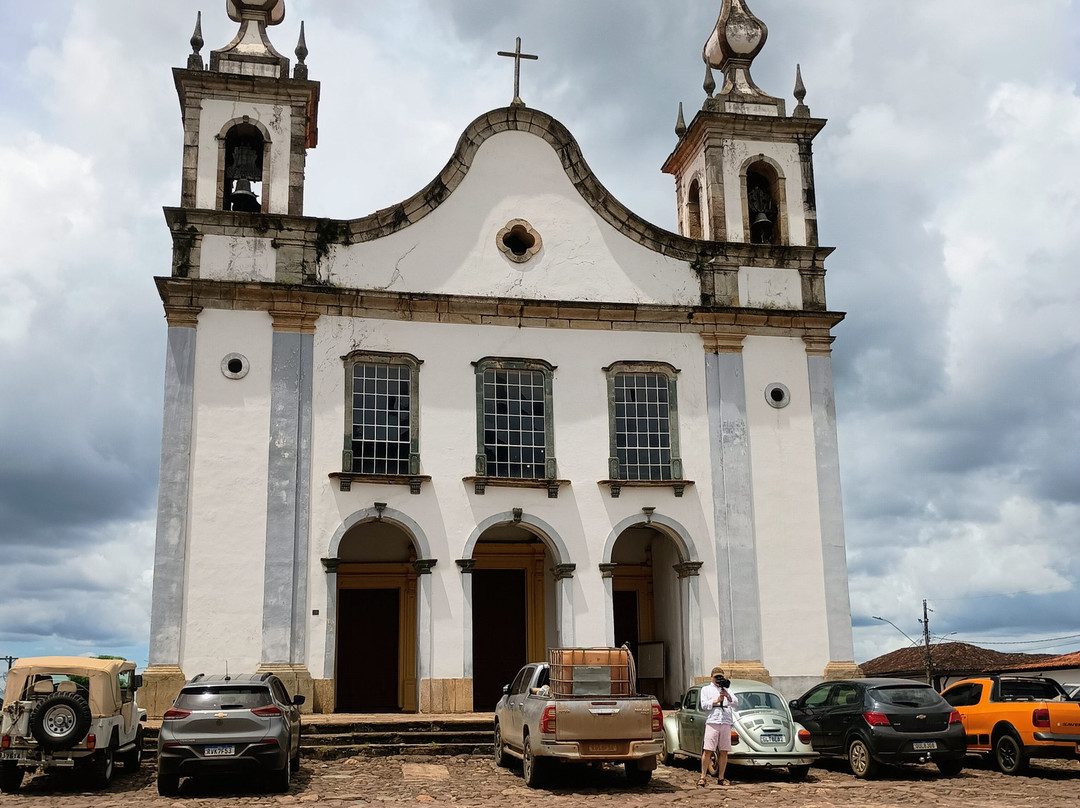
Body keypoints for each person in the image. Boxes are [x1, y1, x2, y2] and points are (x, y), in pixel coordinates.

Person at [698, 665, 739, 787]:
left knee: (724, 750)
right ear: (712, 677)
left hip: (725, 721)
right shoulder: (706, 689)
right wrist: (715, 701)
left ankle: (721, 777)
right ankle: (703, 776)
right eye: (716, 677)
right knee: (708, 750)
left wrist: (727, 695)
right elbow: (703, 705)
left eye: (720, 677)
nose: (718, 679)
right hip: (713, 721)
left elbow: (736, 703)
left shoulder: (727, 689)